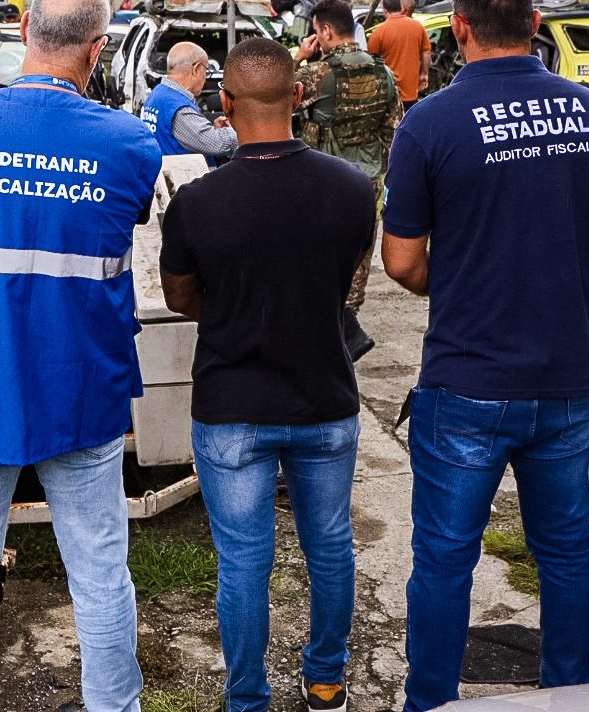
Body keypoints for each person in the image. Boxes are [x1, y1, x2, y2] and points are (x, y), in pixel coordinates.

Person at [0, 0, 162, 712]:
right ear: (98, 49)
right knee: (99, 572)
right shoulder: (128, 143)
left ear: (24, 29)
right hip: (80, 387)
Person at [381, 0, 589, 705]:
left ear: (457, 29)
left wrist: (455, 279)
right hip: (567, 373)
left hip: (468, 379)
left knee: (447, 558)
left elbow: (400, 261)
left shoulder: (428, 123)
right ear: (537, 26)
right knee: (565, 552)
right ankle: (568, 692)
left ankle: (431, 700)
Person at [160, 38, 375, 712]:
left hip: (232, 406)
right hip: (325, 399)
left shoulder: (196, 203)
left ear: (223, 105)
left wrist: (228, 304)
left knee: (246, 564)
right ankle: (325, 682)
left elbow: (180, 298)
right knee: (330, 548)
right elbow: (348, 285)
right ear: (299, 97)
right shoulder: (352, 188)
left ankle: (248, 698)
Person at [294, 0, 402, 361]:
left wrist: (297, 57)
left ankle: (331, 335)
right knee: (357, 262)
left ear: (325, 30)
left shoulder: (317, 73)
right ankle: (348, 324)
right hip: (368, 183)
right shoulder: (383, 72)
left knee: (316, 262)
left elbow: (272, 96)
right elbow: (393, 131)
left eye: (316, 33)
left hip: (323, 184)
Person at [141, 41, 238, 163]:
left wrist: (213, 128)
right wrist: (244, 133)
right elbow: (215, 143)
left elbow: (177, 134)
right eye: (206, 71)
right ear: (196, 69)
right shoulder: (177, 106)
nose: (205, 78)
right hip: (182, 177)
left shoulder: (157, 94)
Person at [366, 0, 432, 109]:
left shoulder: (379, 32)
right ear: (400, 8)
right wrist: (424, 74)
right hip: (411, 92)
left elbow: (371, 63)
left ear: (385, 10)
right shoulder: (418, 27)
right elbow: (426, 52)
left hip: (390, 93)